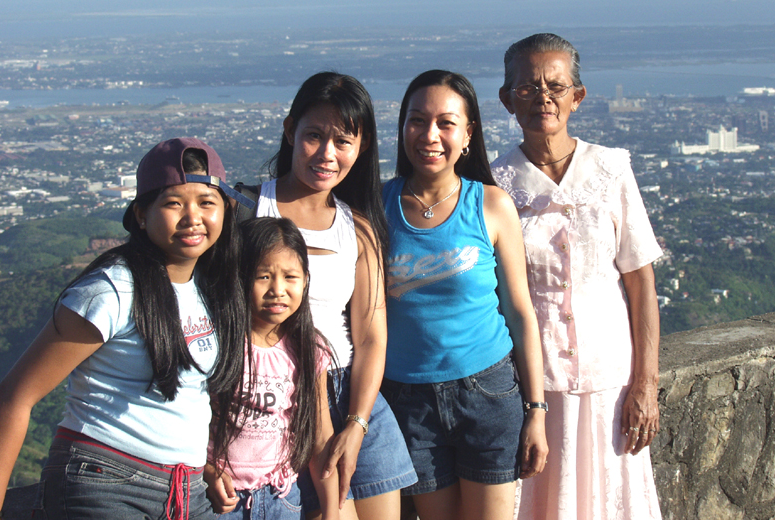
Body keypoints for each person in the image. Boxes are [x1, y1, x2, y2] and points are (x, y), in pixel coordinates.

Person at [0, 137, 249, 520]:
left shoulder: (211, 288)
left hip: (187, 492)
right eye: (173, 203)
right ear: (140, 215)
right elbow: (14, 396)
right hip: (103, 482)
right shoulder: (112, 291)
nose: (192, 217)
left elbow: (184, 399)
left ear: (226, 211)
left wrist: (206, 467)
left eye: (206, 202)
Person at [491, 33, 663, 519]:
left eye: (555, 86)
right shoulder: (493, 183)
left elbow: (640, 281)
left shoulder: (611, 169)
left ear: (577, 96)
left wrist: (645, 385)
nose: (542, 97)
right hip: (532, 383)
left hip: (611, 380)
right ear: (507, 99)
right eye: (527, 88)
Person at [236, 72, 417, 520]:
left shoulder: (359, 229)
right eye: (314, 136)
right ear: (289, 130)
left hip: (352, 393)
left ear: (363, 146)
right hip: (274, 400)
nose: (327, 154)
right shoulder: (245, 210)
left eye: (343, 142)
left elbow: (372, 337)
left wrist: (356, 423)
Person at [380, 70, 548, 520]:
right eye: (417, 121)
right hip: (408, 401)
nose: (429, 135)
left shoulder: (491, 205)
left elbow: (519, 313)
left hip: (488, 394)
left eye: (446, 123)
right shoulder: (377, 208)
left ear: (468, 133)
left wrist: (536, 410)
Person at [206, 217, 340, 520]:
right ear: (238, 277)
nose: (277, 290)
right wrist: (207, 469)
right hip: (219, 499)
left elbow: (320, 435)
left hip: (281, 499)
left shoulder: (309, 349)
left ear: (306, 280)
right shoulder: (216, 343)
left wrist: (332, 511)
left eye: (290, 277)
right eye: (263, 276)